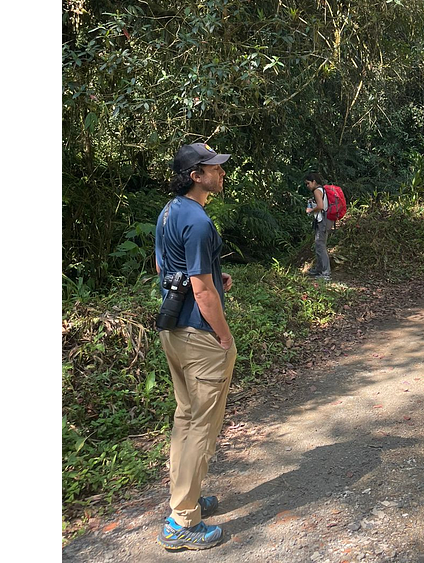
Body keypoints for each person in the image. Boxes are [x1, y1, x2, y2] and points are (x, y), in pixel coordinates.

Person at [153, 143, 238, 551]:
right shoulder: (200, 221)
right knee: (201, 428)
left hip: (172, 332)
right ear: (195, 176)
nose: (221, 173)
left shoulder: (169, 212)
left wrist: (213, 278)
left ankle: (184, 499)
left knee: (185, 419)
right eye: (213, 168)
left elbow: (165, 269)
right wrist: (223, 336)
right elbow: (202, 293)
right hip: (200, 337)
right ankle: (182, 520)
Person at [304, 171, 332, 279]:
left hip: (323, 221)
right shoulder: (322, 190)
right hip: (324, 220)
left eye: (308, 183)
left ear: (314, 181)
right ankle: (319, 270)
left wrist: (311, 210)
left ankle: (325, 273)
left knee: (320, 246)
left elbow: (320, 206)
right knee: (319, 245)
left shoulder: (317, 191)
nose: (307, 186)